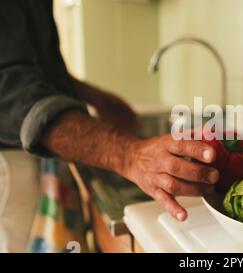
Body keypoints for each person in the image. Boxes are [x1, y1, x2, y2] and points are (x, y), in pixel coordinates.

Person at [0, 0, 219, 230]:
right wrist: (129, 155)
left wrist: (97, 98)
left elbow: (38, 72)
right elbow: (10, 92)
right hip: (11, 168)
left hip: (30, 158)